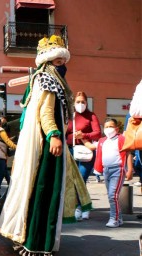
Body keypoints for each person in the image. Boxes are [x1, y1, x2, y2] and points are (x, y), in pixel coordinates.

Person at [0, 35, 91, 255]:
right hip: (49, 147)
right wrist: (55, 135)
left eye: (63, 61)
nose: (62, 65)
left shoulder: (44, 78)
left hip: (49, 144)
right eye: (58, 62)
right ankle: (37, 243)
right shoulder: (47, 79)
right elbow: (46, 112)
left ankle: (34, 239)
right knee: (46, 191)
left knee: (42, 190)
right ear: (49, 62)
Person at [65, 91, 101, 220]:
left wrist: (84, 135)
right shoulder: (70, 116)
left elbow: (97, 133)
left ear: (87, 103)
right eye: (78, 102)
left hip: (86, 152)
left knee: (81, 179)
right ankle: (80, 206)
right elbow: (64, 133)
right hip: (70, 150)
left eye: (83, 102)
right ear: (74, 103)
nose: (80, 104)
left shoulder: (91, 116)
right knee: (73, 181)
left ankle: (81, 207)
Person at [93, 118, 126, 228]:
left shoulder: (121, 138)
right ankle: (119, 217)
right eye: (106, 127)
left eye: (111, 126)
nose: (108, 129)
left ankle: (114, 219)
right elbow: (94, 148)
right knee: (112, 196)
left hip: (118, 169)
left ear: (116, 128)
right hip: (106, 170)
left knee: (113, 195)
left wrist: (129, 169)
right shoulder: (102, 141)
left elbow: (128, 153)